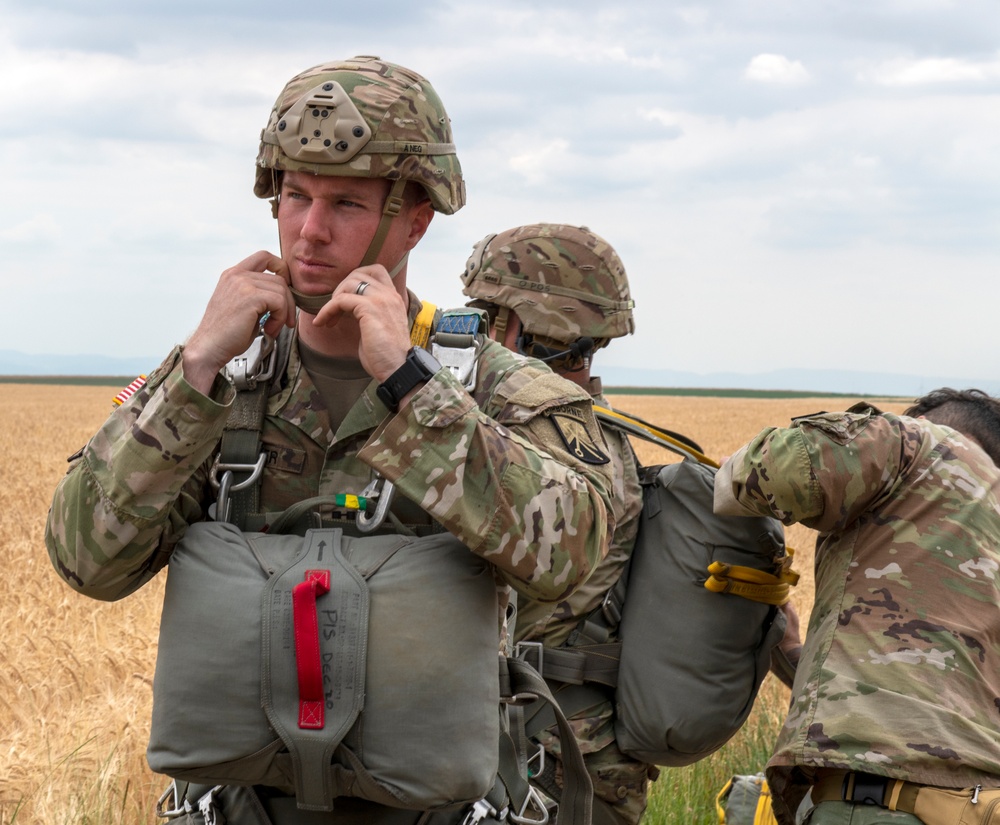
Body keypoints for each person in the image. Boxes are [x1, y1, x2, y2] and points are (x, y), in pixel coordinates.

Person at [44, 57, 617, 824]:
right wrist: (195, 368)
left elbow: (571, 560)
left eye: (346, 203)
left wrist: (409, 388)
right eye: (294, 196)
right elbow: (85, 559)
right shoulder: (223, 377)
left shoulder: (490, 387)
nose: (309, 231)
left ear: (417, 220)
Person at [713, 388, 1000, 825]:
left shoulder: (918, 441)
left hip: (882, 806)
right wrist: (791, 649)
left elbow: (774, 469)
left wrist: (708, 478)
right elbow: (926, 703)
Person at [461, 223, 658, 824]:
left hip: (546, 759)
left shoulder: (559, 443)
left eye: (485, 317)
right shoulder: (585, 431)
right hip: (550, 750)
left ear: (518, 328)